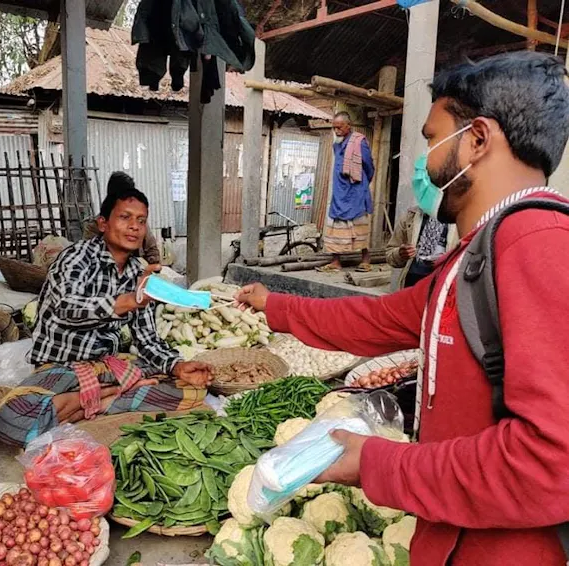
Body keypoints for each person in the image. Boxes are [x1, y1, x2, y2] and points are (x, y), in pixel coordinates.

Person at [235, 51, 569, 566]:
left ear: (477, 140)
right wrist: (274, 305)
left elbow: (549, 460)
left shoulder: (537, 244)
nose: (427, 160)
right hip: (454, 537)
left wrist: (380, 464)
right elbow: (379, 319)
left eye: (434, 139)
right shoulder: (478, 252)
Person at [0, 182, 212, 447]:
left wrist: (177, 366)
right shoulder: (77, 258)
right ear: (103, 224)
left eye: (141, 221)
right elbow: (67, 309)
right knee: (13, 419)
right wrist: (126, 302)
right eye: (125, 217)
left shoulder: (137, 273)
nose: (135, 226)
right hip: (64, 368)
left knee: (194, 389)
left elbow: (146, 339)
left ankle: (93, 401)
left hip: (109, 365)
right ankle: (104, 398)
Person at [320, 112, 375, 273]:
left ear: (348, 126)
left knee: (359, 224)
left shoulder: (359, 142)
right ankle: (336, 261)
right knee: (336, 224)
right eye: (334, 128)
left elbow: (369, 167)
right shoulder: (336, 144)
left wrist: (362, 183)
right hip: (339, 191)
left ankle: (365, 259)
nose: (336, 131)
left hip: (356, 191)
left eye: (339, 127)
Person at [83, 171, 161, 264]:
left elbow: (152, 250)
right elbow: (87, 256)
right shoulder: (95, 226)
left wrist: (153, 267)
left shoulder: (138, 223)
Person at [385, 207, 458, 291]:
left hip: (441, 284)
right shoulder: (411, 216)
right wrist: (400, 254)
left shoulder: (458, 218)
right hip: (412, 282)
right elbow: (390, 254)